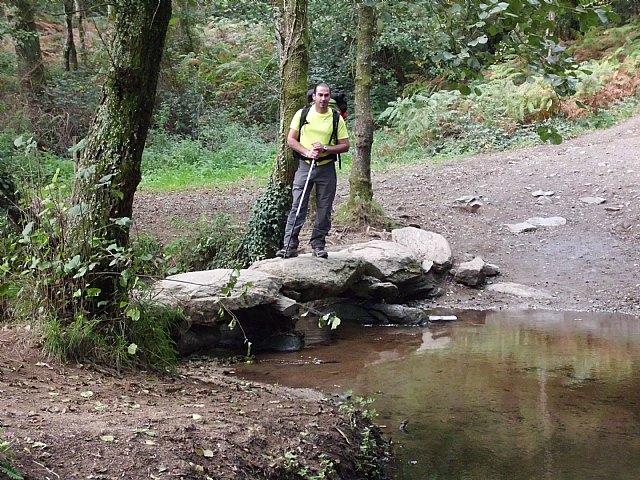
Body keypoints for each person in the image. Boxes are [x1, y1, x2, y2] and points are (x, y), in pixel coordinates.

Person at [276, 83, 350, 259]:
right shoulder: (302, 114)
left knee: (324, 208)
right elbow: (291, 140)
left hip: (326, 168)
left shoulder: (335, 118)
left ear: (329, 97)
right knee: (298, 206)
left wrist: (325, 148)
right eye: (320, 95)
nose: (323, 99)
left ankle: (318, 245)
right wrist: (307, 151)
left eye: (326, 96)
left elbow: (345, 145)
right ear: (313, 96)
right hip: (305, 166)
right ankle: (289, 246)